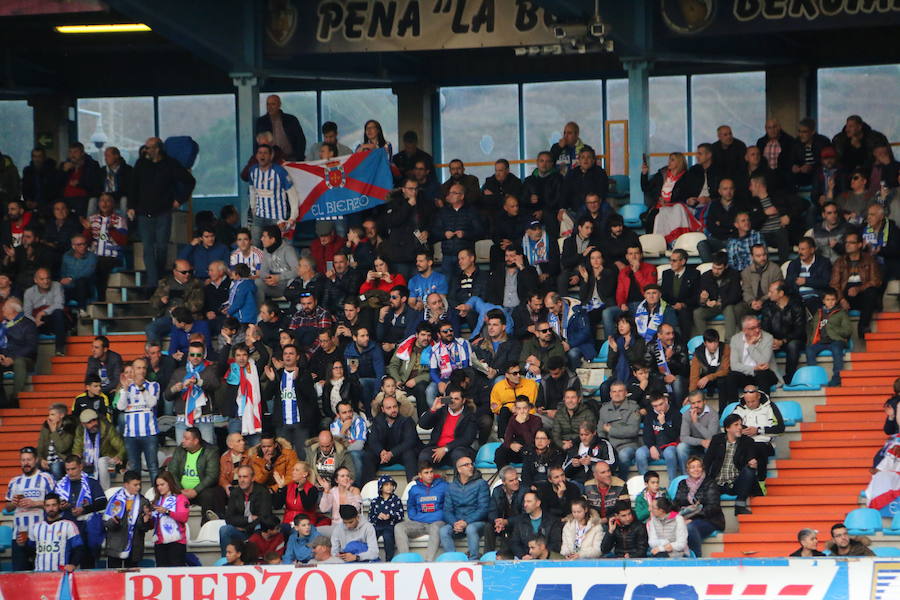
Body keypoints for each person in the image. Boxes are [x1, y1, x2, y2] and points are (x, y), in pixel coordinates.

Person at [129, 137, 196, 289]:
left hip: (163, 212)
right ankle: (153, 283)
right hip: (143, 212)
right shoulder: (141, 164)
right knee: (147, 248)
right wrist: (131, 206)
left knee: (161, 247)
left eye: (149, 147)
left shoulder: (170, 164)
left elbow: (189, 181)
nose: (146, 150)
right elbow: (133, 185)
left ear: (157, 149)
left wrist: (180, 199)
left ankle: (158, 276)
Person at [5, 446, 56, 571]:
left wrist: (35, 503)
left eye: (29, 460)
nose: (26, 463)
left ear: (36, 460)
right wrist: (13, 503)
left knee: (42, 573)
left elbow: (56, 503)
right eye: (23, 460)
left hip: (41, 535)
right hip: (19, 536)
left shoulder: (46, 478)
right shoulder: (14, 481)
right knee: (20, 574)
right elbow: (8, 507)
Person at [264, 344, 319, 453]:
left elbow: (311, 396)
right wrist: (272, 381)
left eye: (291, 353)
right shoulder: (278, 374)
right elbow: (267, 396)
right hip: (282, 424)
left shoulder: (304, 373)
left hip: (300, 424)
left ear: (297, 357)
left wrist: (297, 380)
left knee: (302, 456)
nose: (288, 356)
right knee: (284, 456)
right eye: (285, 354)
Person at [54, 455, 106, 569]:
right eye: (68, 469)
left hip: (86, 531)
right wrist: (60, 506)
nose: (70, 472)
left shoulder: (91, 483)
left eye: (73, 469)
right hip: (66, 531)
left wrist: (84, 509)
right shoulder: (60, 485)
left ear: (81, 467)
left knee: (87, 565)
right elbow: (51, 506)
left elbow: (102, 502)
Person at [830, 231, 882, 337]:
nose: (847, 245)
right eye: (846, 243)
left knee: (871, 292)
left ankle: (863, 327)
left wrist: (859, 289)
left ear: (859, 245)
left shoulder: (869, 259)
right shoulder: (839, 261)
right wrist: (841, 299)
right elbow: (834, 284)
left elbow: (876, 281)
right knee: (832, 296)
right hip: (845, 295)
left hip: (862, 294)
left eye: (851, 242)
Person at [116, 357, 160, 484]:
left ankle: (155, 497)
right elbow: (120, 407)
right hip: (131, 435)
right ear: (133, 370)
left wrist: (141, 388)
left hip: (149, 433)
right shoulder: (126, 387)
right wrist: (124, 390)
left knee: (153, 467)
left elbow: (152, 403)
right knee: (134, 469)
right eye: (138, 368)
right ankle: (137, 498)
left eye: (143, 368)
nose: (141, 371)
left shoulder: (153, 385)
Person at [166, 426, 222, 525]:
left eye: (186, 439)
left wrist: (196, 490)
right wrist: (180, 490)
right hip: (181, 491)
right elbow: (172, 472)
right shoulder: (179, 450)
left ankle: (206, 526)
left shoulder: (211, 451)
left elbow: (212, 475)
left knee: (210, 494)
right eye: (183, 438)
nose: (183, 441)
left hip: (201, 491)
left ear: (196, 441)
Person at [641, 152, 702, 244]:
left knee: (676, 211)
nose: (669, 162)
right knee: (652, 218)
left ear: (679, 162)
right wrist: (644, 174)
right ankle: (654, 244)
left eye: (672, 160)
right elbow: (646, 188)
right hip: (659, 206)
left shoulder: (687, 177)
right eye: (669, 159)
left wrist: (670, 202)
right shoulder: (661, 174)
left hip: (676, 206)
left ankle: (675, 241)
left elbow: (688, 195)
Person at [167, 341, 221, 444]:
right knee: (182, 451)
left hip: (204, 418)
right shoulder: (179, 372)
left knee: (207, 450)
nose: (195, 357)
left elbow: (215, 385)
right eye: (192, 354)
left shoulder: (209, 370)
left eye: (198, 355)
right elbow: (167, 395)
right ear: (188, 355)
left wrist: (198, 381)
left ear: (203, 356)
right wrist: (175, 388)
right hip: (183, 418)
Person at [673, 455, 726, 558]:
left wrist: (691, 518)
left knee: (689, 528)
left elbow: (713, 507)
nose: (696, 469)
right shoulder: (682, 483)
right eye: (692, 467)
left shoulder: (710, 483)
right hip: (685, 518)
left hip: (710, 519)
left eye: (698, 466)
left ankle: (696, 558)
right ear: (688, 470)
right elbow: (676, 503)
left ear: (702, 468)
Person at [732, 386, 784, 489]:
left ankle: (758, 482)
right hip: (745, 443)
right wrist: (741, 431)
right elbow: (729, 426)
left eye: (753, 401)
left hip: (765, 444)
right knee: (745, 450)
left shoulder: (770, 407)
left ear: (759, 396)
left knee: (758, 448)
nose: (750, 404)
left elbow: (780, 429)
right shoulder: (739, 408)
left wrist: (758, 430)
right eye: (748, 402)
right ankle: (755, 483)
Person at [439, 455, 490, 559]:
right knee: (443, 530)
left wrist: (466, 522)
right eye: (466, 465)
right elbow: (447, 511)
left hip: (477, 523)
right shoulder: (451, 486)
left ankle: (473, 559)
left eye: (471, 464)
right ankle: (453, 559)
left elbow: (483, 509)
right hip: (458, 523)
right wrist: (455, 523)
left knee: (471, 528)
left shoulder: (481, 484)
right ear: (459, 469)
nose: (470, 466)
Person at [394, 462, 447, 561]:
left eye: (431, 472)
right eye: (426, 473)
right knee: (399, 527)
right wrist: (420, 518)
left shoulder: (443, 486)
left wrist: (429, 517)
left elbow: (447, 508)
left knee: (435, 527)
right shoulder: (414, 489)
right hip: (419, 523)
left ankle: (428, 562)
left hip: (437, 522)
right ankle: (406, 561)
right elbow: (411, 508)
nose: (430, 475)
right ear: (420, 475)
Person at [363, 394, 420, 483]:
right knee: (369, 456)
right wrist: (382, 452)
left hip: (400, 454)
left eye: (395, 407)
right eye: (389, 408)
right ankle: (368, 489)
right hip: (384, 455)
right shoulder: (378, 421)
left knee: (409, 454)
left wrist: (391, 453)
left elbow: (409, 442)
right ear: (383, 409)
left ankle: (413, 486)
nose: (393, 410)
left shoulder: (406, 420)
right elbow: (373, 441)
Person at [431, 182, 483, 277]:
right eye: (450, 193)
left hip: (465, 255)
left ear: (462, 196)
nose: (450, 195)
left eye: (454, 193)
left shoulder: (471, 211)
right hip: (447, 255)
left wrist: (465, 234)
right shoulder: (443, 212)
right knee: (448, 285)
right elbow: (434, 230)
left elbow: (480, 231)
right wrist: (444, 234)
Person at [145, 260, 204, 345]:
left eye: (189, 272)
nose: (187, 274)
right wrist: (161, 301)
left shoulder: (196, 284)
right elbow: (153, 303)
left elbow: (197, 304)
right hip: (168, 319)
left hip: (187, 320)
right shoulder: (165, 283)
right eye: (184, 272)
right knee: (150, 328)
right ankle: (155, 354)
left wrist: (179, 309)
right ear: (175, 272)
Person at [20, 493, 83, 572]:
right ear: (44, 507)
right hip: (39, 573)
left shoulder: (69, 525)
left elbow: (79, 548)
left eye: (54, 505)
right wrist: (22, 544)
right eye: (48, 505)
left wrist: (73, 564)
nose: (51, 508)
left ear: (59, 505)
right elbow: (30, 550)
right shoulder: (36, 527)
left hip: (61, 572)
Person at [103, 470, 152, 568]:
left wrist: (145, 520)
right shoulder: (116, 500)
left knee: (131, 580)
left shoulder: (143, 502)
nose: (138, 487)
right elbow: (106, 524)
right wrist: (114, 521)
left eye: (139, 484)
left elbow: (145, 528)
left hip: (134, 547)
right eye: (135, 485)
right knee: (114, 578)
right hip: (116, 546)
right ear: (126, 484)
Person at [760, 281, 806, 384]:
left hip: (792, 339)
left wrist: (783, 341)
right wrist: (771, 340)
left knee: (793, 345)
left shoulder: (796, 305)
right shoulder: (768, 307)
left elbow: (799, 330)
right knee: (762, 345)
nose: (769, 294)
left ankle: (790, 378)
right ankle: (767, 379)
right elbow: (764, 328)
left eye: (772, 292)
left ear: (781, 293)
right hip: (774, 341)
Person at [219, 465, 271, 555]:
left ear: (253, 478)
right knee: (224, 530)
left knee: (259, 527)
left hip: (255, 531)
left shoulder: (262, 492)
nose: (242, 480)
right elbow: (229, 518)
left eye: (245, 477)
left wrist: (245, 528)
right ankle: (226, 560)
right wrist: (249, 519)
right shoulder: (235, 492)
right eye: (239, 477)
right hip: (240, 532)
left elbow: (264, 517)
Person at [727, 315, 782, 401]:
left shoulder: (768, 338)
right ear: (744, 330)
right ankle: (733, 408)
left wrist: (750, 346)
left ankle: (764, 405)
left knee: (762, 373)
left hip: (766, 374)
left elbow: (763, 362)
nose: (757, 330)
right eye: (753, 328)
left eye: (758, 326)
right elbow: (734, 365)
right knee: (731, 376)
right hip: (746, 374)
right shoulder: (735, 339)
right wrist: (753, 369)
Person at [806, 288, 853, 388]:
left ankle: (837, 377)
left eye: (833, 299)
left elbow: (848, 331)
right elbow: (812, 329)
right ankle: (814, 377)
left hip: (836, 341)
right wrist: (811, 340)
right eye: (828, 300)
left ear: (836, 300)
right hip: (821, 341)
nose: (830, 302)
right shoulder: (818, 313)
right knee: (809, 350)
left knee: (837, 349)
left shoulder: (841, 313)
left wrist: (834, 328)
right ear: (823, 301)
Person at [86, 192, 128, 301]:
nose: (104, 203)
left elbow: (123, 241)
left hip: (113, 256)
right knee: (91, 264)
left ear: (113, 204)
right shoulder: (92, 219)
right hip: (94, 255)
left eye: (107, 201)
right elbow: (86, 241)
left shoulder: (119, 220)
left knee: (101, 264)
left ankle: (101, 298)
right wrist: (88, 229)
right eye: (102, 200)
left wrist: (112, 229)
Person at [71, 408, 125, 490]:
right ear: (83, 424)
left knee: (101, 462)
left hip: (109, 461)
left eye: (94, 420)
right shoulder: (80, 431)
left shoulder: (107, 428)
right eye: (89, 422)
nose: (94, 424)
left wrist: (119, 456)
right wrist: (76, 457)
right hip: (89, 462)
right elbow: (77, 447)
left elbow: (121, 447)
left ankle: (105, 491)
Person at [636, 392, 682, 481]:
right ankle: (645, 486)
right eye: (655, 406)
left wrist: (663, 423)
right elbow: (647, 435)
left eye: (661, 404)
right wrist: (651, 447)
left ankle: (672, 485)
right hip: (655, 446)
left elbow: (675, 436)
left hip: (670, 445)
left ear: (666, 400)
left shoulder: (676, 413)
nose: (659, 408)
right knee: (640, 453)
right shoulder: (650, 415)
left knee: (670, 454)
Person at [23, 267, 67, 356]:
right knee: (25, 323)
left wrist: (42, 313)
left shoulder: (57, 286)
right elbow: (27, 313)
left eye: (47, 278)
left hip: (54, 320)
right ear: (35, 280)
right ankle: (29, 357)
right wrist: (35, 321)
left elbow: (59, 304)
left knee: (58, 312)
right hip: (37, 323)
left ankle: (59, 349)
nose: (45, 281)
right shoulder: (29, 292)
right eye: (42, 279)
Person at [507, 490, 562, 559]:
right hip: (526, 560)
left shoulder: (552, 521)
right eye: (524, 501)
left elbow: (555, 543)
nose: (525, 505)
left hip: (547, 560)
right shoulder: (520, 521)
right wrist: (523, 556)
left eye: (529, 501)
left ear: (538, 503)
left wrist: (542, 554)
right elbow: (514, 543)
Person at [690, 329, 732, 412]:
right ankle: (699, 411)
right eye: (710, 342)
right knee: (696, 385)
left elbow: (725, 370)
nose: (713, 345)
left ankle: (722, 412)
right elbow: (694, 376)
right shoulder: (698, 352)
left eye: (715, 342)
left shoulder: (725, 348)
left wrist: (708, 377)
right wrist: (691, 396)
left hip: (720, 377)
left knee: (723, 380)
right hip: (706, 379)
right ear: (705, 343)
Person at [786, 236, 833, 309]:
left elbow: (825, 282)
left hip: (817, 299)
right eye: (799, 249)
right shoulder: (794, 264)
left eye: (803, 249)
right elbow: (789, 283)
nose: (800, 252)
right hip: (798, 299)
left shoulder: (823, 263)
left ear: (812, 250)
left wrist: (806, 281)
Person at [257, 94, 306, 161]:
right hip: (270, 160)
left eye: (273, 104)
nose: (270, 107)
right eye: (268, 104)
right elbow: (258, 143)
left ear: (279, 105)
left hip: (291, 159)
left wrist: (298, 157)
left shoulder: (291, 120)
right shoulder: (261, 122)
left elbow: (301, 140)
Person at [677, 391, 719, 468]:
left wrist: (696, 422)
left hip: (711, 444)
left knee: (710, 446)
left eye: (699, 402)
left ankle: (708, 475)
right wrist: (701, 442)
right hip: (695, 444)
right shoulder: (686, 414)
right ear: (690, 404)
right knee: (681, 447)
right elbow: (683, 437)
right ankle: (685, 476)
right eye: (693, 403)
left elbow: (711, 437)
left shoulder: (713, 414)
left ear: (704, 401)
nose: (696, 405)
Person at [258, 225, 299, 300]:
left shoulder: (288, 250)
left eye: (264, 237)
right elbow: (263, 271)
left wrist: (279, 278)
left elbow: (297, 271)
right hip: (272, 285)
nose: (261, 239)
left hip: (286, 287)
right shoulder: (266, 250)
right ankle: (261, 310)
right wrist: (269, 279)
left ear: (272, 239)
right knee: (256, 283)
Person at [329, 400, 367, 478]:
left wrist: (344, 450)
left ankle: (357, 485)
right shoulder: (334, 425)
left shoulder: (359, 422)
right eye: (344, 413)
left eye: (350, 411)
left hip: (360, 452)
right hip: (343, 452)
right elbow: (336, 446)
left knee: (354, 454)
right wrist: (343, 430)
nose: (348, 415)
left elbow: (359, 446)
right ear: (338, 415)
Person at [37, 403, 75, 480]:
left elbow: (62, 448)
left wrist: (54, 432)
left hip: (61, 460)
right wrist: (41, 459)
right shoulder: (46, 427)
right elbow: (40, 445)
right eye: (49, 415)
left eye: (52, 414)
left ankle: (58, 490)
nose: (49, 417)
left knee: (55, 467)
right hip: (47, 459)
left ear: (61, 415)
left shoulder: (69, 428)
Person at [60, 234, 97, 314]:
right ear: (73, 246)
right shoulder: (66, 256)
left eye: (84, 244)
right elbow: (63, 273)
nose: (83, 246)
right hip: (69, 288)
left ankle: (82, 310)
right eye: (79, 244)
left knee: (81, 281)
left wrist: (71, 279)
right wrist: (63, 281)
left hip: (85, 288)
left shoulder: (92, 256)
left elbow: (88, 272)